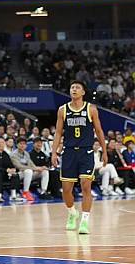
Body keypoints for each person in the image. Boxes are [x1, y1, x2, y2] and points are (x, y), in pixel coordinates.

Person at [51, 81, 107, 235]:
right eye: (72, 88)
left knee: (85, 185)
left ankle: (84, 221)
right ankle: (72, 212)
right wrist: (54, 152)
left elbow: (99, 131)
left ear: (83, 92)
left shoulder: (91, 109)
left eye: (77, 88)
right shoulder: (63, 110)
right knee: (67, 190)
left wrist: (105, 150)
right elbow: (58, 133)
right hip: (68, 152)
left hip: (86, 151)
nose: (74, 89)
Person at [0, 137, 22, 203]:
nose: (0, 144)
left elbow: (10, 165)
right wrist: (6, 170)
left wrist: (13, 169)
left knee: (15, 174)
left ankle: (14, 195)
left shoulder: (6, 154)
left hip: (5, 174)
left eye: (2, 142)